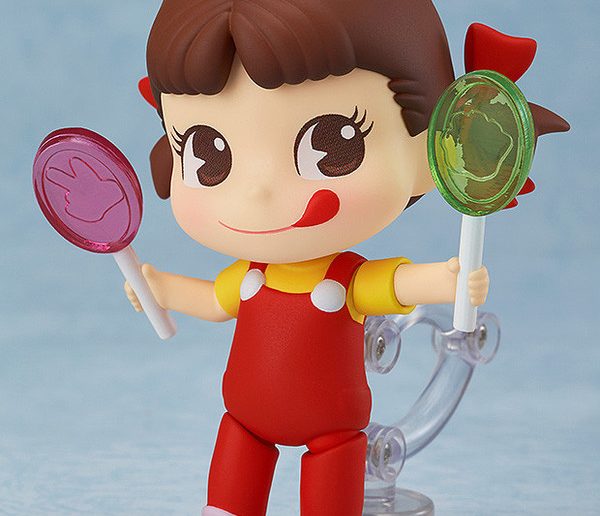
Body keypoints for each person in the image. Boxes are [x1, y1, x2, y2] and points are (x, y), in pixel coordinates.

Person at [125, 1, 566, 514]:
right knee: (229, 496)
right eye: (207, 152)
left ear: (428, 146)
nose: (259, 193)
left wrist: (448, 280)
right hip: (244, 419)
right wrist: (161, 288)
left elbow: (397, 285)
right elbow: (213, 301)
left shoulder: (344, 279)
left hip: (333, 430)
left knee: (331, 487)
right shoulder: (251, 276)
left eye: (332, 143)